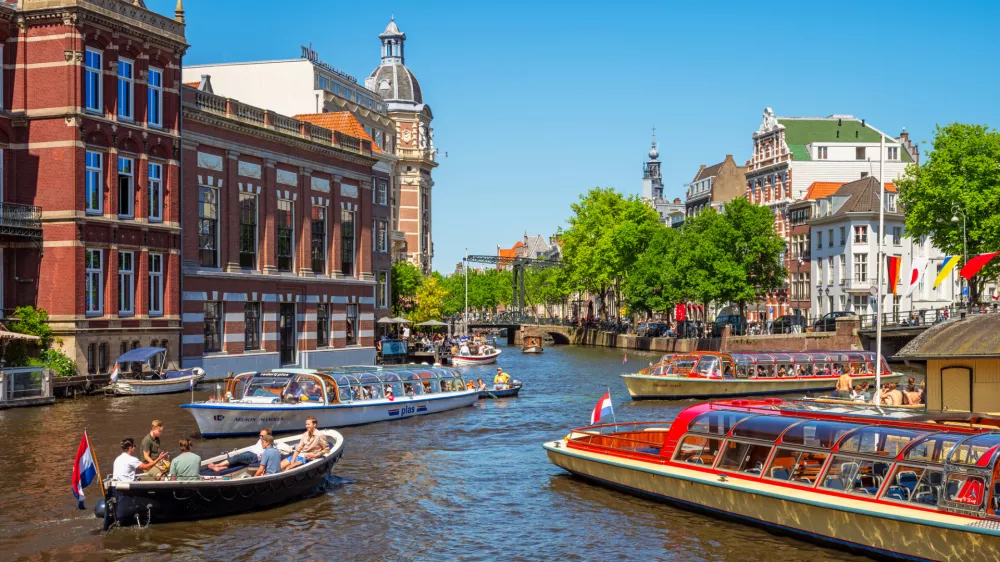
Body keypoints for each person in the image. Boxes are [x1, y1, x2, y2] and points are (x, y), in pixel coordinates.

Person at [208, 429, 272, 472]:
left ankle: (217, 465)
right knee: (237, 461)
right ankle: (219, 468)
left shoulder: (269, 444)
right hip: (250, 453)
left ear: (268, 436)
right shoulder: (260, 440)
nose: (260, 437)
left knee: (238, 457)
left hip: (255, 456)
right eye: (260, 435)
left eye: (262, 436)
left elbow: (273, 450)